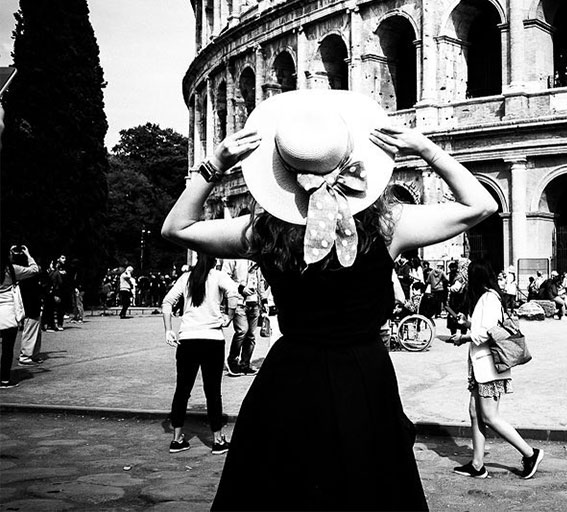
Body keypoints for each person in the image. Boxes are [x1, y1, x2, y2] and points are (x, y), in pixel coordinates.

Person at [161, 89, 496, 510]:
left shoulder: (260, 232)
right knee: (367, 483)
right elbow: (480, 205)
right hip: (364, 374)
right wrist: (425, 148)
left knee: (283, 489)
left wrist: (216, 164)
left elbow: (176, 228)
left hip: (289, 375)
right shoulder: (390, 226)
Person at [451, 260, 544, 479]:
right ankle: (477, 464)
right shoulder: (488, 297)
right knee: (475, 413)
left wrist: (463, 337)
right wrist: (467, 323)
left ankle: (530, 453)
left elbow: (486, 333)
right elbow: (482, 328)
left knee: (490, 417)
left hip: (489, 364)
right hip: (481, 364)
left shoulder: (489, 298)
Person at [162, 253, 239, 455]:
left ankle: (177, 438)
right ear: (215, 260)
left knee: (182, 389)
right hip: (212, 339)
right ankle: (217, 440)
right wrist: (229, 317)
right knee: (213, 391)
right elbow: (233, 293)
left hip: (187, 338)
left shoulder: (186, 278)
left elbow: (167, 302)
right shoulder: (217, 276)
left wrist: (168, 329)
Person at [1, 245, 39, 388]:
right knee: (7, 349)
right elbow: (34, 270)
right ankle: (4, 379)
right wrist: (28, 255)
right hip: (8, 312)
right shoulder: (11, 269)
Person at [222, 257, 260, 376]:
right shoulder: (233, 257)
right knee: (242, 331)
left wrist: (263, 299)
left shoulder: (257, 255)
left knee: (251, 335)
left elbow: (261, 280)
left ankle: (245, 364)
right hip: (239, 301)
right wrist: (241, 288)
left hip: (254, 301)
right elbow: (224, 277)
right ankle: (232, 360)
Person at [14, 246, 45, 366]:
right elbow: (35, 269)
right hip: (29, 302)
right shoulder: (21, 270)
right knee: (30, 328)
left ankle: (33, 354)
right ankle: (26, 355)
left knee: (36, 329)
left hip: (34, 301)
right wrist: (28, 255)